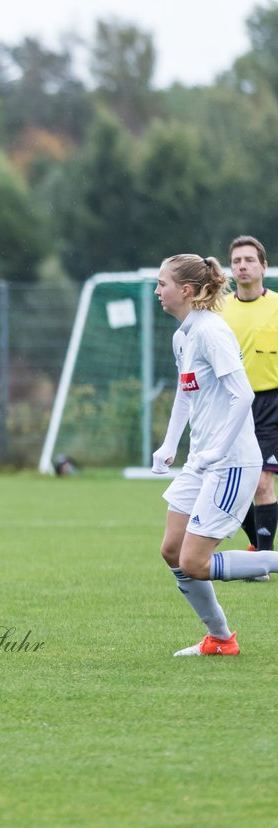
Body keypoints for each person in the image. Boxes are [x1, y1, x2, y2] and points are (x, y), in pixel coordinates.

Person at [151, 254, 278, 657]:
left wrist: (218, 450)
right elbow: (186, 395)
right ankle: (221, 640)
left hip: (232, 462)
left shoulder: (211, 332)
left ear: (185, 291)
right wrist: (170, 445)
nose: (157, 291)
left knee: (194, 562)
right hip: (202, 462)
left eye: (162, 284)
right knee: (172, 550)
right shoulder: (183, 336)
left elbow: (242, 395)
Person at [218, 235, 277, 580]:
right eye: (237, 260)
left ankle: (263, 563)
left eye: (249, 260)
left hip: (270, 403)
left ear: (263, 267)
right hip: (229, 404)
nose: (242, 265)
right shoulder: (220, 309)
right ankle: (259, 547)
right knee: (234, 485)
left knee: (262, 484)